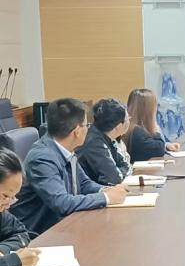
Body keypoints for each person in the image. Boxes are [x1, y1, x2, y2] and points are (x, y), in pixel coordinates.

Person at [11, 98, 127, 233]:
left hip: (65, 225)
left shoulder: (66, 147)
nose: (88, 129)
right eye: (87, 125)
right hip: (41, 234)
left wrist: (106, 190)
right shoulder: (42, 158)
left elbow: (83, 183)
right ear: (77, 131)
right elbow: (62, 203)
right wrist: (106, 198)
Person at [77, 98, 132, 186]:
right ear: (119, 126)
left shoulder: (106, 137)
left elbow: (126, 165)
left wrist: (119, 172)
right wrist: (119, 173)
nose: (129, 121)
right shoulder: (94, 143)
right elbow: (114, 179)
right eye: (128, 118)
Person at [125, 88, 180, 162]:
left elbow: (152, 145)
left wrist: (167, 146)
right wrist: (156, 130)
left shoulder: (133, 127)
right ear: (148, 110)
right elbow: (158, 150)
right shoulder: (137, 131)